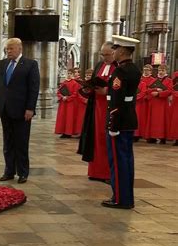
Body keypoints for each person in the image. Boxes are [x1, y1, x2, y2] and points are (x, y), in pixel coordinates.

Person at [0, 38, 40, 184]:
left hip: (22, 110)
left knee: (21, 142)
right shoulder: (2, 64)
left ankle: (23, 172)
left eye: (11, 48)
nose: (8, 51)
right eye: (7, 49)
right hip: (5, 109)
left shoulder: (30, 64)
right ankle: (9, 171)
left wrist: (30, 108)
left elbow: (33, 88)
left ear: (20, 48)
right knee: (8, 142)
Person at [101, 35, 141, 209]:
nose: (114, 52)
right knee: (127, 160)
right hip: (129, 118)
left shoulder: (120, 71)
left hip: (119, 121)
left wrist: (112, 124)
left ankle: (120, 199)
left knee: (118, 162)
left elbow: (116, 100)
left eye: (115, 49)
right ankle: (126, 197)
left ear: (123, 51)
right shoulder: (134, 69)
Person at [78, 41, 116, 183]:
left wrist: (107, 91)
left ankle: (107, 174)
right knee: (95, 138)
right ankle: (95, 172)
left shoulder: (118, 67)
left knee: (106, 139)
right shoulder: (99, 65)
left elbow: (123, 88)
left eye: (107, 54)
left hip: (110, 107)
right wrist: (88, 88)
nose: (104, 57)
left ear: (114, 52)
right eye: (102, 54)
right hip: (96, 107)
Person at [146, 64, 172, 144]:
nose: (160, 72)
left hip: (162, 103)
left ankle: (162, 137)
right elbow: (147, 90)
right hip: (154, 103)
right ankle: (152, 137)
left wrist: (159, 94)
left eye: (162, 70)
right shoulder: (153, 80)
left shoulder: (169, 80)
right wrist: (154, 90)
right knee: (153, 120)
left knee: (162, 121)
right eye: (159, 70)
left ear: (166, 71)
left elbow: (169, 91)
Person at [55, 69, 81, 138]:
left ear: (73, 75)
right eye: (68, 73)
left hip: (70, 104)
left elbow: (75, 94)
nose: (69, 75)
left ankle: (68, 132)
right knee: (63, 117)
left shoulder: (75, 83)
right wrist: (62, 96)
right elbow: (58, 92)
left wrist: (67, 98)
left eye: (71, 73)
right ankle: (63, 132)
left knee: (69, 118)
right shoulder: (64, 82)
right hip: (63, 103)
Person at [134, 64, 155, 141]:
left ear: (151, 71)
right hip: (139, 102)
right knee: (139, 118)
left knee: (147, 119)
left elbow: (153, 90)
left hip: (149, 102)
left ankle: (146, 134)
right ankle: (137, 134)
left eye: (147, 70)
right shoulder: (140, 79)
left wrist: (147, 96)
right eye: (144, 69)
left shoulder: (153, 80)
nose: (146, 71)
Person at [167, 71, 178, 145]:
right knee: (176, 121)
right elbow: (172, 88)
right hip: (176, 103)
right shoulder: (176, 75)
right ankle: (176, 139)